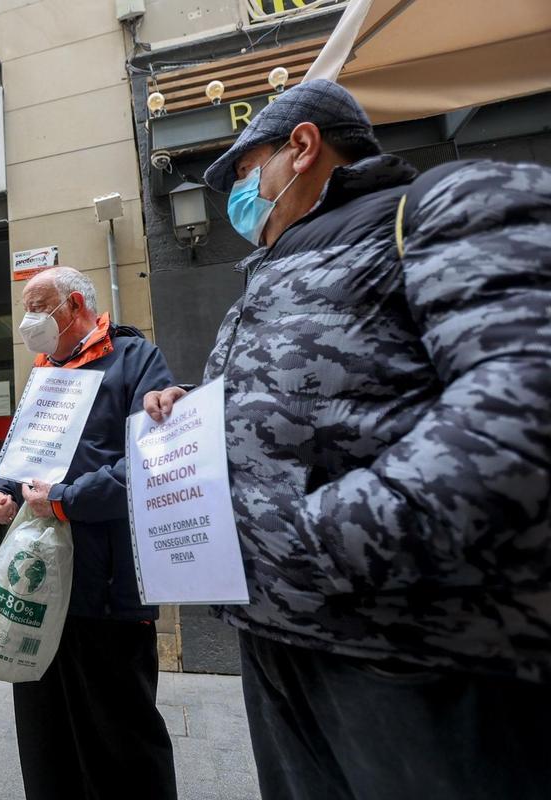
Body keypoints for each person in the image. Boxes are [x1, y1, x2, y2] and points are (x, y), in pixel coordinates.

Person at [144, 79, 551, 800]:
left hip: (412, 655)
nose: (236, 197)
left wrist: (314, 540)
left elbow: (521, 404)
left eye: (244, 171)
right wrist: (197, 409)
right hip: (277, 639)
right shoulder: (266, 277)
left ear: (301, 148)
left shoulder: (442, 209)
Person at [0, 267, 178, 800]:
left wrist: (65, 500)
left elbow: (147, 463)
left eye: (38, 306)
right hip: (38, 588)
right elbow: (17, 453)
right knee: (44, 733)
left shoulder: (135, 361)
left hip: (106, 589)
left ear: (74, 305)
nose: (28, 321)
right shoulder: (43, 375)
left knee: (120, 732)